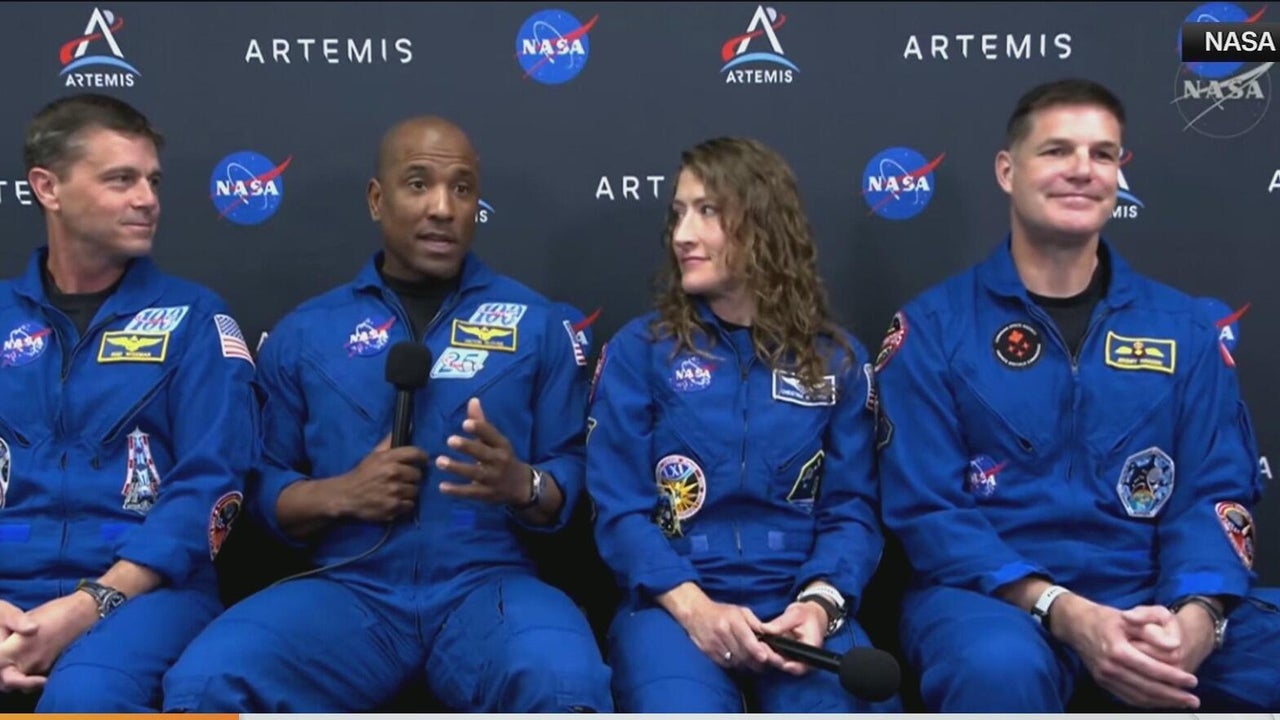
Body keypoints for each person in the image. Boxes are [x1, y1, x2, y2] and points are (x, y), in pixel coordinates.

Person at [161, 115, 613, 712]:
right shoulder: (307, 332)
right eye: (419, 184)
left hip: (490, 583)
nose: (443, 208)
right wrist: (341, 495)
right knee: (207, 681)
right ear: (377, 199)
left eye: (462, 189)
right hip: (349, 586)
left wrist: (522, 484)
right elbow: (260, 484)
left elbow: (571, 469)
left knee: (565, 683)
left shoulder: (536, 324)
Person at [875, 77, 1280, 712]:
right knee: (997, 668)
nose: (1082, 170)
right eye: (1057, 150)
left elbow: (1214, 492)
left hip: (1152, 593)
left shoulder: (1184, 329)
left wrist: (1196, 620)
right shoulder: (933, 329)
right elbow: (930, 511)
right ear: (1007, 171)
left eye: (1102, 154)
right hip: (994, 600)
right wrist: (1062, 610)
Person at [586, 137, 901, 712]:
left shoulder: (836, 360)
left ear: (763, 223)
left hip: (796, 604)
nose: (682, 235)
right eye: (679, 213)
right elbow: (620, 510)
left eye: (707, 211)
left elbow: (852, 509)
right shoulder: (640, 352)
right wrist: (694, 609)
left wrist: (819, 605)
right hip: (671, 603)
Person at [0, 93, 256, 711]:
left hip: (144, 590)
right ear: (47, 188)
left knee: (85, 697)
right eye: (121, 180)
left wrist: (88, 605)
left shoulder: (196, 320)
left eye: (152, 181)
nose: (147, 199)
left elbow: (211, 486)